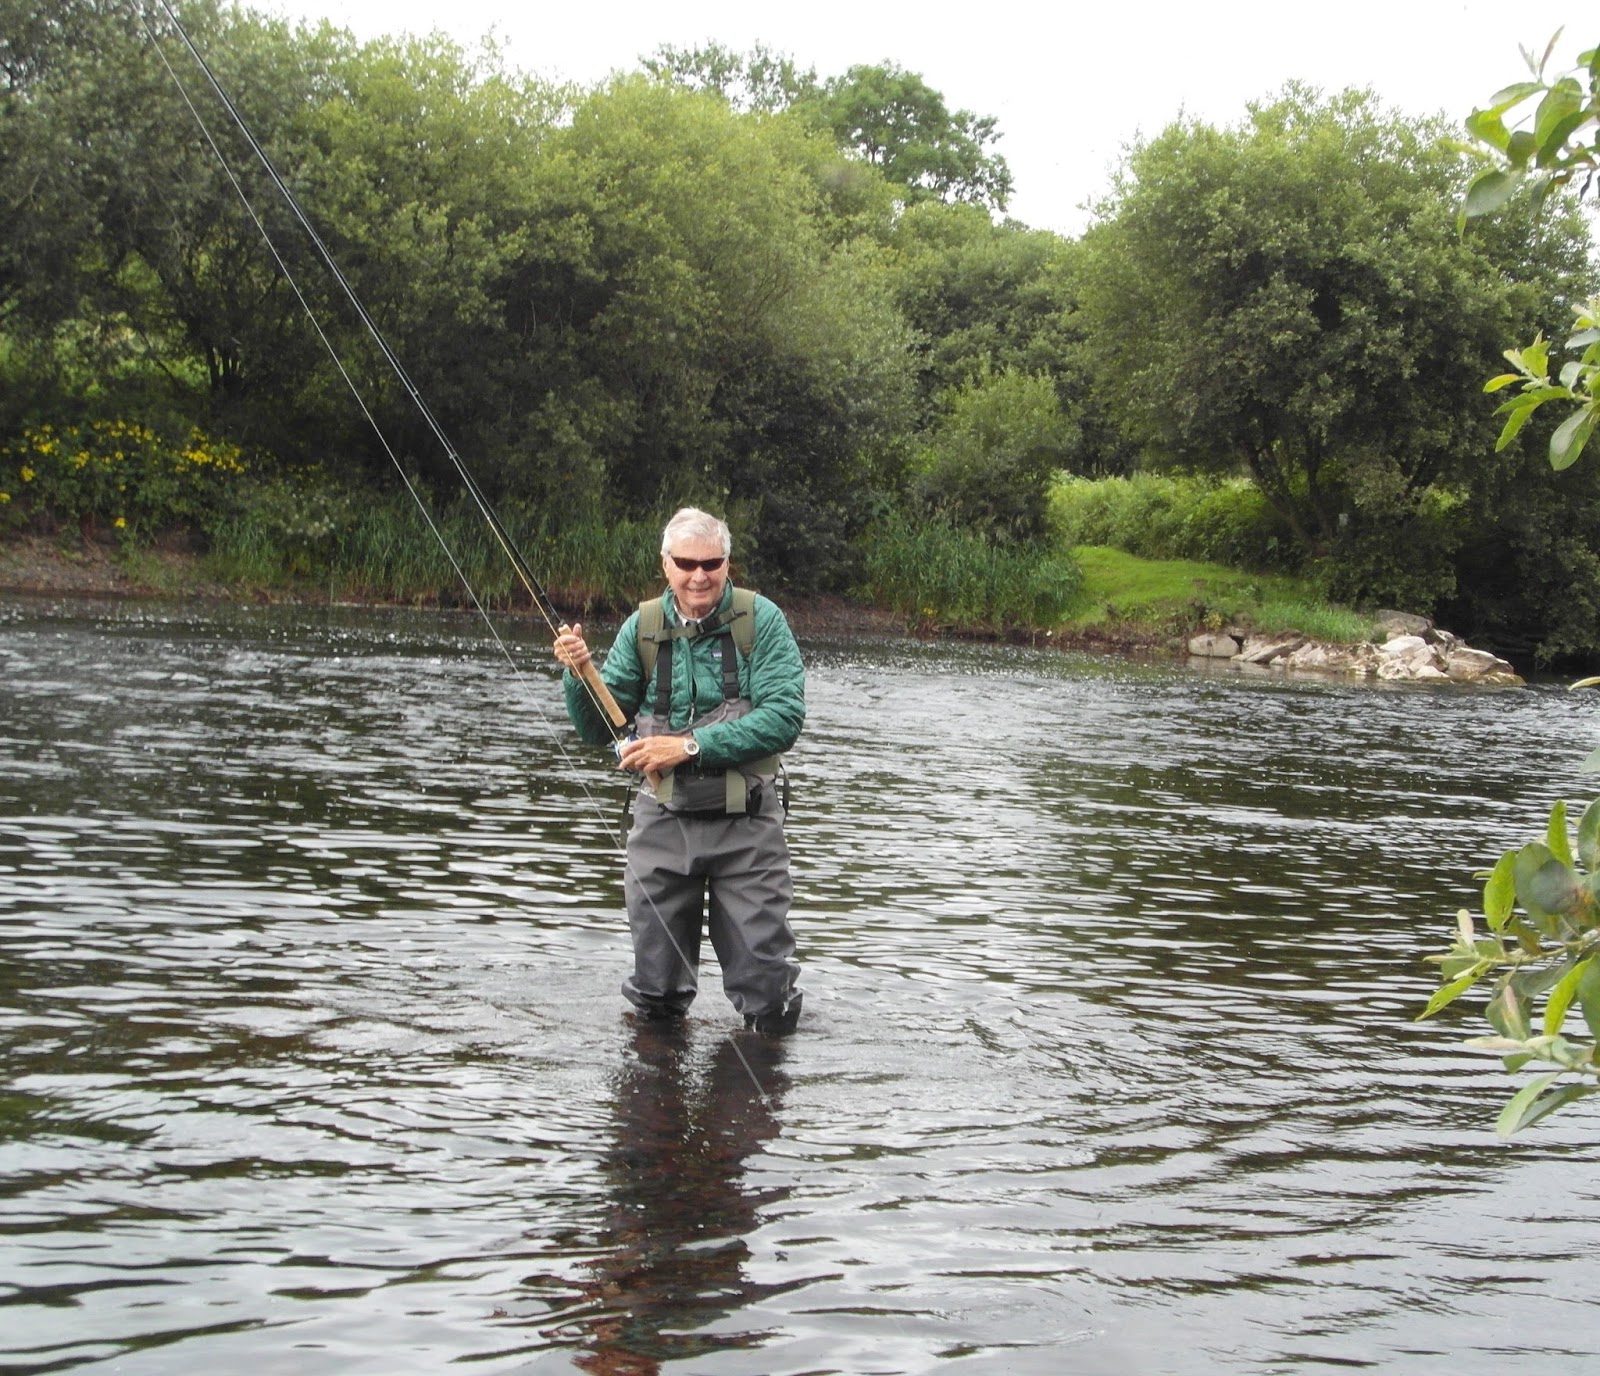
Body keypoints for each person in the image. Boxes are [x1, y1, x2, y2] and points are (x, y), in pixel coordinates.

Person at [553, 508, 806, 1034]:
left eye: (710, 563)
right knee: (656, 994)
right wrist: (579, 676)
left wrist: (687, 747)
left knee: (767, 988)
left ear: (726, 563)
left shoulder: (764, 621)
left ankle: (759, 1095)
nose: (699, 576)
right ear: (666, 564)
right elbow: (597, 729)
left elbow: (783, 719)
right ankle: (655, 1104)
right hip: (662, 822)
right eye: (686, 563)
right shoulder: (641, 627)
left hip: (748, 827)